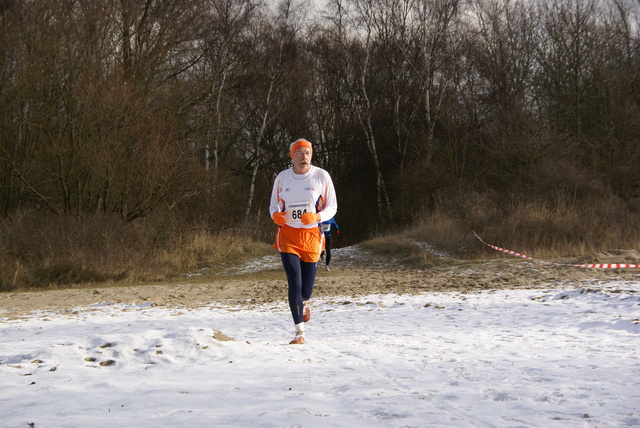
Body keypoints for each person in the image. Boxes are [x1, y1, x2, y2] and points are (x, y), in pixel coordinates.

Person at [269, 139, 337, 345]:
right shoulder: (282, 178)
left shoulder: (321, 176)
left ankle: (304, 303)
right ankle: (300, 333)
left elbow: (332, 207)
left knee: (305, 290)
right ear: (292, 156)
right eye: (299, 153)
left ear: (311, 156)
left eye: (307, 153)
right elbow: (273, 203)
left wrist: (317, 217)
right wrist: (275, 215)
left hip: (312, 237)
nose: (303, 156)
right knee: (294, 283)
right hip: (288, 235)